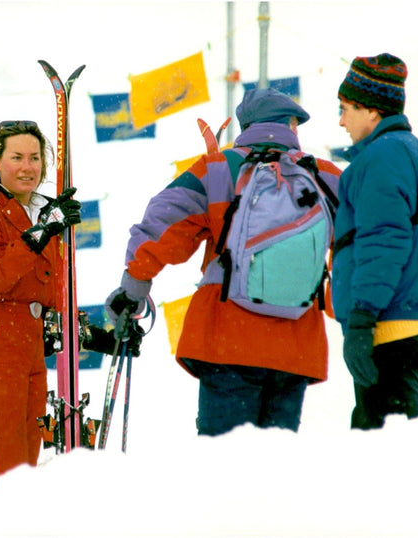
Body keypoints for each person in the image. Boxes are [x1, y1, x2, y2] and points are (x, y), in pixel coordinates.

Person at [105, 88, 342, 436]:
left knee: (224, 467)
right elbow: (361, 246)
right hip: (296, 346)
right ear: (291, 124)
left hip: (226, 340)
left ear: (245, 125)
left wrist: (134, 288)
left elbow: (162, 223)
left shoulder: (219, 169)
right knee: (274, 468)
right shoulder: (326, 175)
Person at [0, 120, 120, 507]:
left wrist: (95, 335)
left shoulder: (35, 213)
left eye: (35, 157)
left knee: (24, 474)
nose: (28, 167)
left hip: (27, 341)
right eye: (16, 157)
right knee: (1, 473)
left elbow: (48, 292)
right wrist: (41, 232)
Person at [333, 53, 418, 429]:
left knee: (383, 467)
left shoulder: (381, 158)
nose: (341, 121)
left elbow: (383, 241)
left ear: (371, 111)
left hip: (387, 330)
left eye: (345, 109)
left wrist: (362, 319)